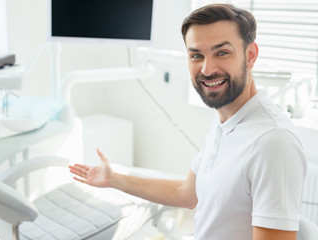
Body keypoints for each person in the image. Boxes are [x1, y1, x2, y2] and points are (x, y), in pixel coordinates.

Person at [69, 4, 307, 240]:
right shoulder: (224, 119)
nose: (207, 68)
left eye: (222, 52)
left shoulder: (273, 142)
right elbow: (187, 194)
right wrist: (114, 179)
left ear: (250, 55)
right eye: (196, 55)